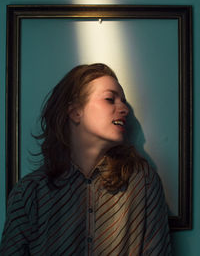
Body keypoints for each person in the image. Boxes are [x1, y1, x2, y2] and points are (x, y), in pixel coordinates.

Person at [0, 63, 171, 255]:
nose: (124, 109)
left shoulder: (143, 182)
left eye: (123, 101)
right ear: (75, 112)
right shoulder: (29, 193)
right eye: (109, 99)